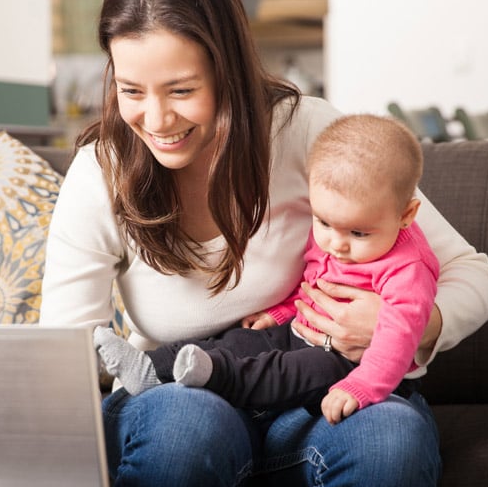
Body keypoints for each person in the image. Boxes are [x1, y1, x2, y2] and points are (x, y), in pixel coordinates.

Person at [40, 0, 488, 487]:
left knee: (388, 441)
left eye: (182, 90)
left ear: (228, 72)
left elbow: (472, 274)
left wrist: (409, 325)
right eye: (131, 90)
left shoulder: (306, 130)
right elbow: (67, 353)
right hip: (180, 401)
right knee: (182, 432)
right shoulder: (101, 171)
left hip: (316, 399)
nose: (156, 119)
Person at [91, 114, 439, 427]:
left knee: (296, 371)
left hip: (355, 365)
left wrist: (363, 386)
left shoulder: (408, 267)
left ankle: (214, 377)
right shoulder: (338, 229)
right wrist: (283, 311)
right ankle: (152, 367)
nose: (337, 244)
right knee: (238, 340)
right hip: (301, 330)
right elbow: (314, 283)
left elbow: (400, 337)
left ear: (406, 215)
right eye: (324, 223)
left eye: (358, 233)